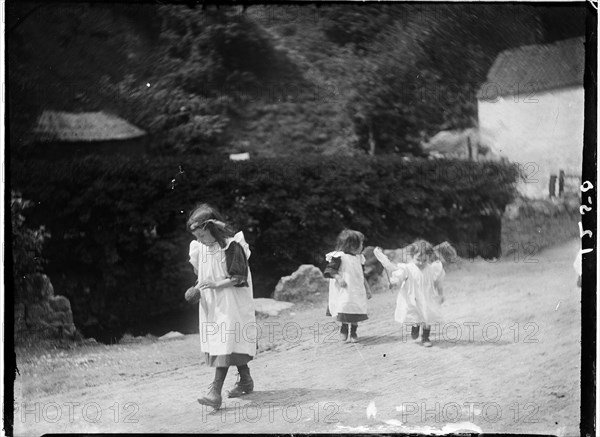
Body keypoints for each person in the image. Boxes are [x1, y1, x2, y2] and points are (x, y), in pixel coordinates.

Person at [186, 203, 257, 410]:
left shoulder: (231, 246)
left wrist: (216, 284)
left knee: (226, 342)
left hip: (231, 301)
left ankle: (214, 392)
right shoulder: (201, 249)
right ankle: (245, 380)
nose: (200, 240)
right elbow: (203, 276)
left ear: (213, 229)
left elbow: (239, 277)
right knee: (225, 342)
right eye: (197, 237)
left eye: (203, 235)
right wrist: (197, 289)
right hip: (212, 303)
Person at [373, 240, 445, 347]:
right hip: (413, 298)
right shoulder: (407, 268)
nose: (421, 263)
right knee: (416, 316)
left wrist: (441, 294)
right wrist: (393, 282)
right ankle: (415, 328)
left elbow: (438, 282)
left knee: (427, 317)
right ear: (412, 256)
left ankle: (425, 337)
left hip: (427, 297)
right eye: (418, 259)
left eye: (424, 260)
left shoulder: (432, 269)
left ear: (429, 258)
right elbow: (399, 277)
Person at [324, 229, 372, 342]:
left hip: (356, 290)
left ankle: (354, 332)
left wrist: (368, 289)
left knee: (355, 308)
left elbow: (361, 275)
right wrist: (339, 278)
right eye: (360, 243)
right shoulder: (340, 257)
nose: (362, 246)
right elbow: (330, 270)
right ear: (351, 245)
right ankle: (344, 329)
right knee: (344, 308)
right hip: (344, 289)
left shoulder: (359, 258)